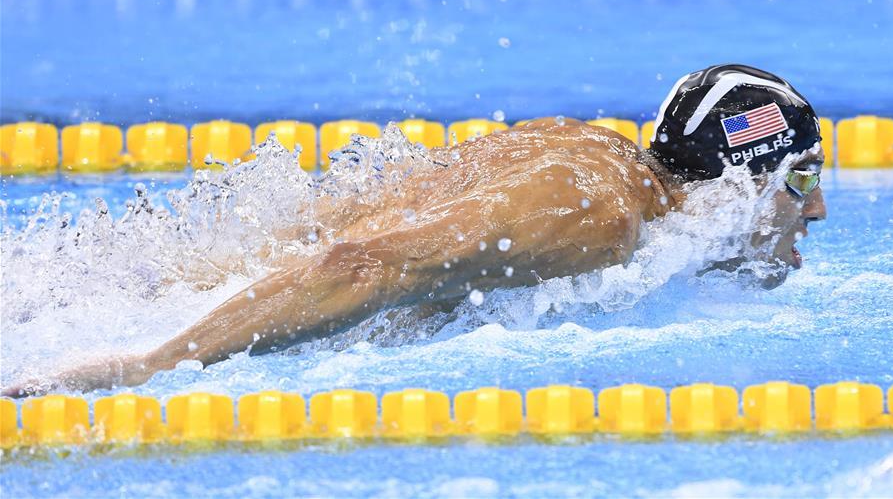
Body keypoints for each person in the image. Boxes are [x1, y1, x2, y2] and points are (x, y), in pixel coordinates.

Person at [3, 64, 827, 397]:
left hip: (148, 283)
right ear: (741, 180)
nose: (815, 210)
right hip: (173, 319)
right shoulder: (600, 219)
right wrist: (149, 364)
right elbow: (363, 264)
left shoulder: (592, 154)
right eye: (802, 180)